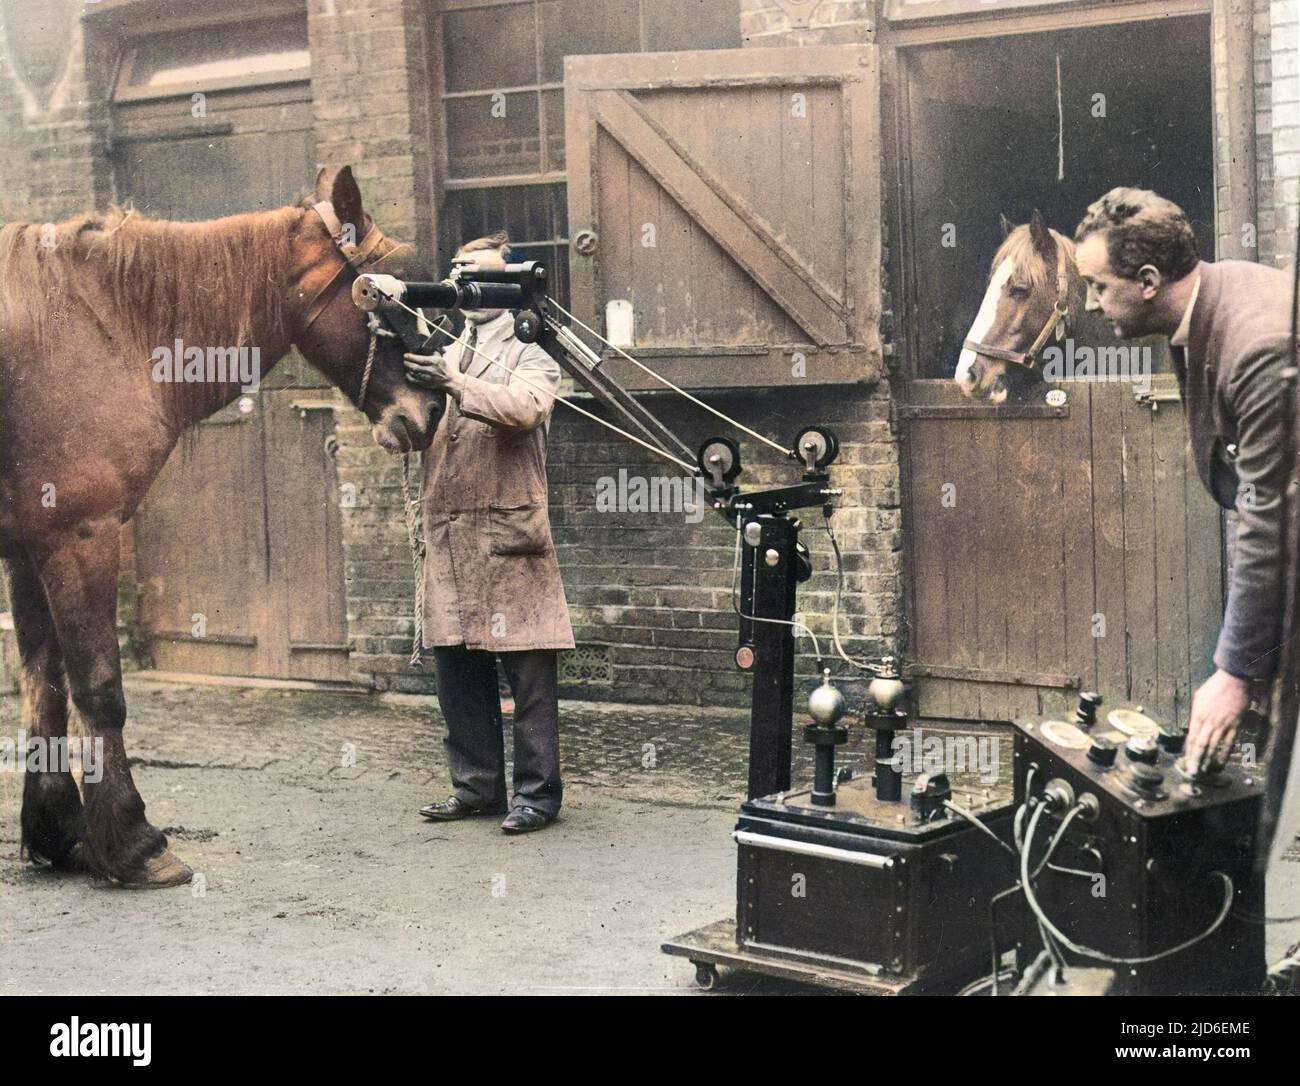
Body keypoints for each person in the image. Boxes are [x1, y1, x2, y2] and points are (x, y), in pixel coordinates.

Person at [1074, 188, 1295, 778]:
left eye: (1097, 286)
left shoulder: (1257, 348)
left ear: (1148, 281)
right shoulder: (1210, 299)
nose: (1091, 305)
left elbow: (1267, 521)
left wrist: (1235, 673)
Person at [402, 232, 574, 834]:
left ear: (510, 281)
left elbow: (525, 409)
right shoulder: (450, 345)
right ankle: (476, 788)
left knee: (527, 675)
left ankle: (537, 796)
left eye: (476, 272)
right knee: (457, 670)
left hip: (507, 531)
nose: (462, 283)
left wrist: (453, 386)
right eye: (455, 270)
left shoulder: (534, 344)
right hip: (451, 535)